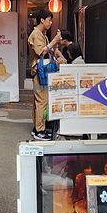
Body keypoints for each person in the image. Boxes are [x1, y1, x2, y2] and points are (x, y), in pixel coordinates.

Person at [28, 8, 61, 140]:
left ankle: (37, 127)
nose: (51, 22)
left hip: (40, 71)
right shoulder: (36, 34)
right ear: (42, 20)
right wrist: (55, 40)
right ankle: (39, 130)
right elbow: (41, 52)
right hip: (39, 72)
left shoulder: (42, 34)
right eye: (49, 20)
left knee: (39, 101)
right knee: (42, 100)